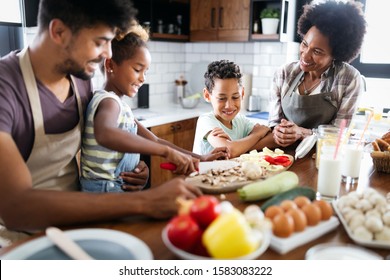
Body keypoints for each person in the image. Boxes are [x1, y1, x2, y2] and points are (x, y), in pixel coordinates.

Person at [0, 0, 203, 246]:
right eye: (99, 42)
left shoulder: (81, 79)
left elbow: (95, 146)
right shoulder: (5, 89)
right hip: (23, 241)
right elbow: (17, 209)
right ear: (59, 32)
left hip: (79, 223)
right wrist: (147, 201)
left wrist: (131, 169)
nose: (108, 53)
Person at [80, 24, 228, 193]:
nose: (143, 78)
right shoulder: (108, 102)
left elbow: (155, 140)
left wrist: (200, 158)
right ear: (110, 65)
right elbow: (105, 133)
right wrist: (165, 152)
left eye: (146, 71)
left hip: (116, 189)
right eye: (137, 69)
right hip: (103, 192)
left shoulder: (120, 107)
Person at [268, 0, 367, 147]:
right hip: (282, 155)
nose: (305, 56)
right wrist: (279, 131)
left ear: (336, 54)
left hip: (322, 156)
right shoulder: (284, 73)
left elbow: (340, 133)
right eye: (304, 44)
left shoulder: (349, 78)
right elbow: (274, 123)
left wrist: (301, 133)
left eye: (317, 52)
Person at [193, 60, 274, 158]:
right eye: (221, 98)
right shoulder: (206, 121)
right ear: (207, 95)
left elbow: (272, 139)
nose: (229, 106)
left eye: (235, 97)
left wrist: (239, 147)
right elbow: (230, 151)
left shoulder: (241, 121)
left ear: (242, 93)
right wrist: (256, 135)